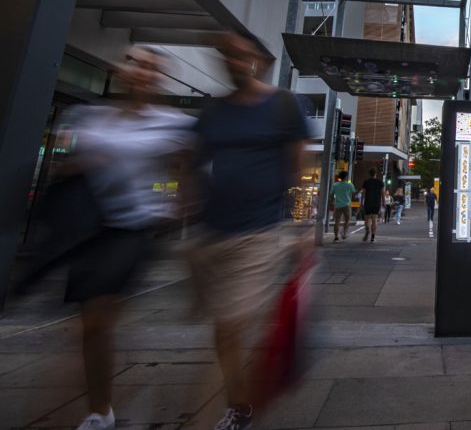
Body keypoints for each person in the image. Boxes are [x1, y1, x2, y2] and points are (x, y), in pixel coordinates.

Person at [62, 47, 193, 430]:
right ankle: (98, 404)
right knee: (88, 322)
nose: (141, 72)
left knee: (99, 314)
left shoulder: (171, 123)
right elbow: (65, 161)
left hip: (133, 227)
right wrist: (77, 164)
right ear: (119, 70)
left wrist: (175, 203)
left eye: (150, 68)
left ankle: (99, 413)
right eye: (134, 63)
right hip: (87, 229)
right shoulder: (90, 117)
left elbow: (187, 167)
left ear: (160, 78)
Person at [190, 30, 311, 430]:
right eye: (226, 55)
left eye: (241, 54)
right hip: (212, 231)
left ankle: (237, 405)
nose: (235, 61)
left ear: (257, 59)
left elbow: (296, 171)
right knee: (224, 324)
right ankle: (240, 395)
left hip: (261, 228)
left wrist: (300, 224)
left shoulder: (283, 106)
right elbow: (193, 166)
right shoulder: (213, 113)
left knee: (232, 321)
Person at [330, 172, 356, 241]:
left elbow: (331, 195)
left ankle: (336, 237)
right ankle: (344, 233)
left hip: (337, 205)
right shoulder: (350, 185)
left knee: (337, 222)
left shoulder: (335, 185)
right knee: (347, 220)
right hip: (346, 205)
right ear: (346, 177)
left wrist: (332, 203)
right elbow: (353, 192)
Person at [360, 169, 384, 242]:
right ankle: (373, 237)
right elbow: (382, 193)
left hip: (367, 203)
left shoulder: (366, 182)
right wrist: (384, 203)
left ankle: (367, 230)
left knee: (366, 219)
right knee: (374, 220)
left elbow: (363, 193)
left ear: (369, 174)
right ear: (375, 174)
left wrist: (361, 202)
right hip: (376, 203)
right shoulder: (380, 182)